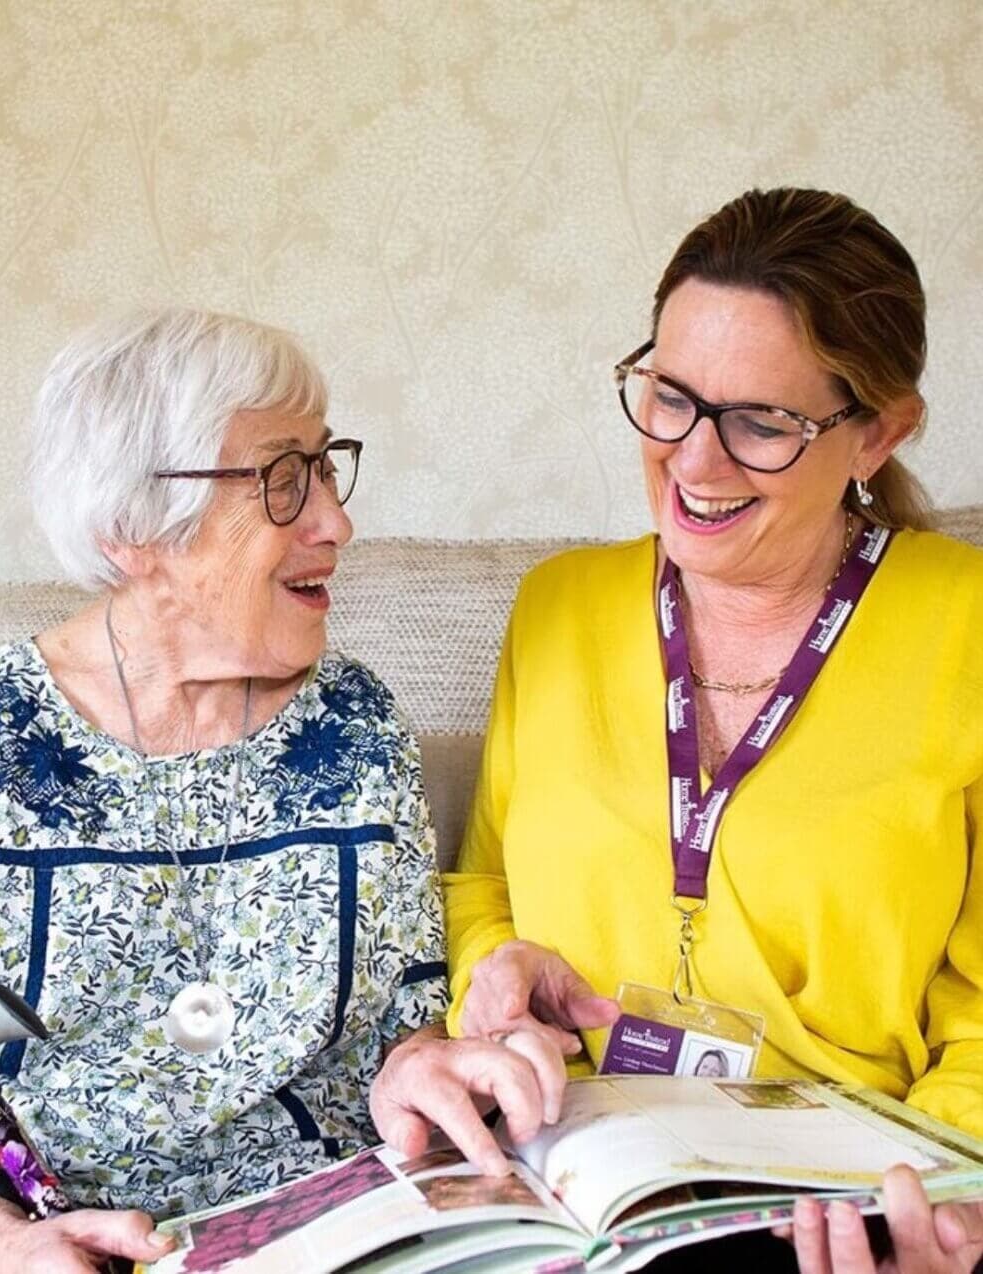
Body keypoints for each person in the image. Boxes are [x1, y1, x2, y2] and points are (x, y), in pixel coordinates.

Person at [445, 189, 983, 1271]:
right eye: (671, 398)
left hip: (842, 1196)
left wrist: (934, 1194)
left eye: (760, 422)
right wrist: (492, 973)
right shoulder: (559, 604)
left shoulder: (965, 625)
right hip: (572, 1176)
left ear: (877, 432)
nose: (693, 461)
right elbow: (483, 881)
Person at [0, 308, 563, 1273]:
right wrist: (4, 1244)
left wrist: (428, 1068)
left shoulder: (351, 723)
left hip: (354, 1232)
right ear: (135, 527)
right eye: (283, 479)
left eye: (326, 466)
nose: (336, 521)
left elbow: (397, 1027)